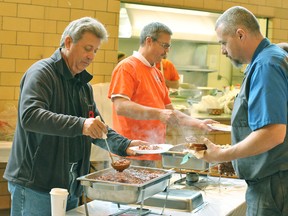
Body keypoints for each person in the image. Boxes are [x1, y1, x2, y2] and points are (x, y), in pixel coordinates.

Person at [3, 17, 148, 216]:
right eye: (88, 48)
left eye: (95, 50)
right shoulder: (41, 73)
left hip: (71, 184)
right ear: (69, 42)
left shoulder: (83, 86)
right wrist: (81, 124)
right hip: (36, 185)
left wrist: (126, 145)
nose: (91, 56)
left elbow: (97, 128)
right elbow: (31, 116)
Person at [199, 6, 288, 216]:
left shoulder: (267, 65)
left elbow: (273, 133)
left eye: (223, 42)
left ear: (240, 34)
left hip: (273, 185)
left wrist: (222, 154)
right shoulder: (270, 59)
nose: (222, 50)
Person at [108, 22, 216, 167]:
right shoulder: (127, 67)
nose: (167, 51)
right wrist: (159, 114)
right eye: (164, 45)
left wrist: (199, 123)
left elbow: (170, 113)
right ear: (149, 41)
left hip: (152, 152)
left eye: (168, 47)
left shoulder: (157, 73)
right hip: (130, 153)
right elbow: (121, 107)